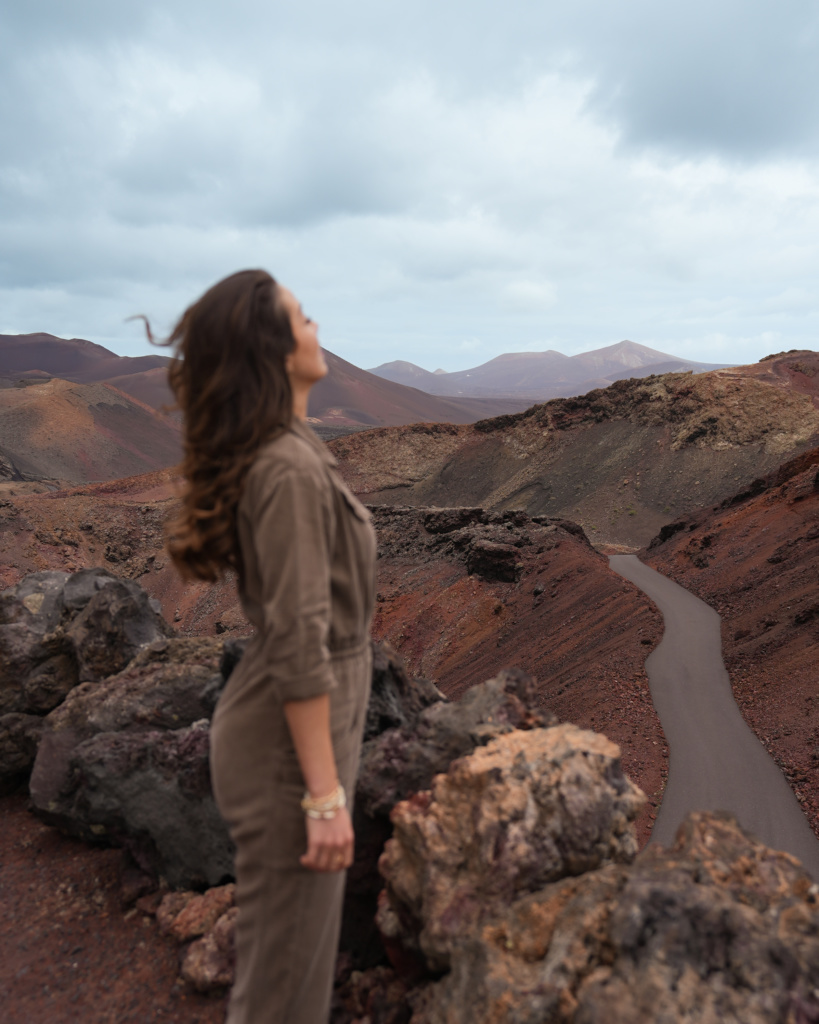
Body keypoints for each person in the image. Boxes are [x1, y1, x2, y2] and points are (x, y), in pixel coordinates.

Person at [161, 269, 377, 1024]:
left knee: (292, 971)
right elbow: (296, 636)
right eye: (302, 316)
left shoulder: (290, 449)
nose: (316, 325)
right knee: (285, 988)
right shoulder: (285, 467)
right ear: (274, 349)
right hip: (291, 754)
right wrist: (322, 796)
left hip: (299, 736)